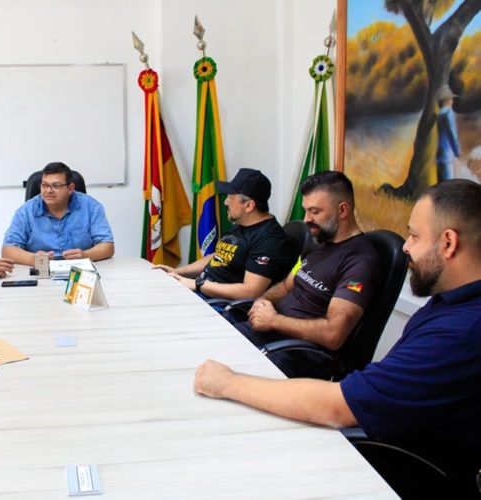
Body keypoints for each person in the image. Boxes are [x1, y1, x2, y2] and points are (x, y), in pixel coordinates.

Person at [194, 179, 481, 496]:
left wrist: (228, 383)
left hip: (393, 468)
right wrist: (264, 304)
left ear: (448, 243)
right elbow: (288, 285)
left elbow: (338, 405)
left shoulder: (461, 331)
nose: (406, 247)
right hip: (377, 425)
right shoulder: (448, 302)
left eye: (414, 235)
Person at [238, 171, 380, 378]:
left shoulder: (360, 261)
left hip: (301, 355)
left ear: (342, 210)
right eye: (306, 211)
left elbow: (333, 335)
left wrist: (274, 320)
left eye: (315, 212)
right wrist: (263, 300)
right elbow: (286, 286)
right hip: (271, 334)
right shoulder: (317, 242)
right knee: (212, 342)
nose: (306, 219)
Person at [154, 168, 297, 300]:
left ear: (249, 205)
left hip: (220, 305)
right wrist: (178, 272)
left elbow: (251, 291)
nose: (226, 202)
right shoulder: (242, 224)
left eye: (231, 197)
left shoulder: (269, 239)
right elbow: (218, 257)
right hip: (202, 292)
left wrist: (198, 284)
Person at [1, 162, 115, 265]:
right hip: (42, 271)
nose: (48, 190)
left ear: (70, 188)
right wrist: (33, 259)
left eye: (56, 186)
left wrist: (86, 255)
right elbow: (7, 250)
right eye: (44, 185)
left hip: (80, 270)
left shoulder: (91, 207)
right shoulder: (26, 211)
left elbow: (107, 246)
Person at [436, 84, 461, 183]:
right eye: (451, 99)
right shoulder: (448, 113)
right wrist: (457, 151)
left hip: (439, 155)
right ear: (446, 100)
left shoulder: (439, 114)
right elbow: (452, 134)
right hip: (447, 156)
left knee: (441, 185)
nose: (452, 101)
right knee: (448, 186)